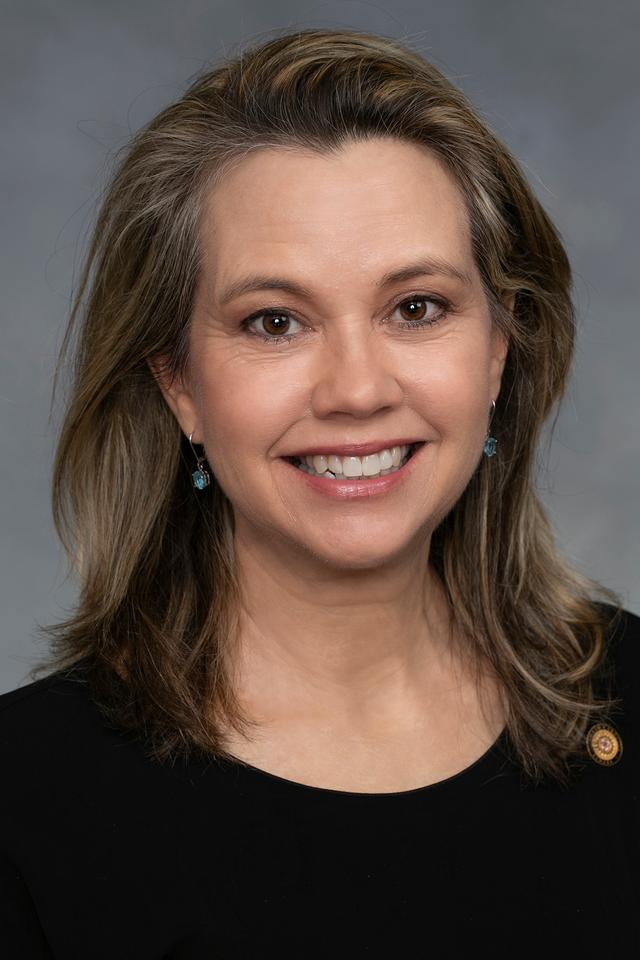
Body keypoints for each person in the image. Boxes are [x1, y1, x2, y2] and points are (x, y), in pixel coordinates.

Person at [1, 26, 638, 957]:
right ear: (179, 384)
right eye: (275, 321)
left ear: (499, 350)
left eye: (417, 307)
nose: (356, 389)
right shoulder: (24, 801)